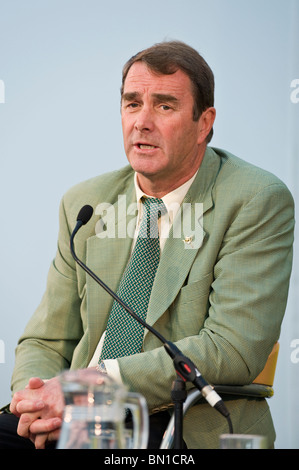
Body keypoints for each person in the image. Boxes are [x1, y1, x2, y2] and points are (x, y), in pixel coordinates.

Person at [0, 41, 295, 450]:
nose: (142, 121)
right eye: (132, 103)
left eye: (164, 106)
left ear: (203, 123)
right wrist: (34, 402)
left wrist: (96, 384)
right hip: (73, 420)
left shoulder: (256, 199)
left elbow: (232, 347)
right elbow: (45, 341)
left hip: (175, 422)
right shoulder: (86, 203)